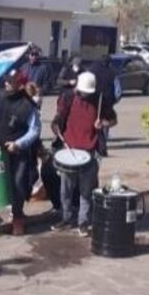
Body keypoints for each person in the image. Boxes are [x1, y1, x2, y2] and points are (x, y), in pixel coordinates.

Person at [51, 72, 117, 235]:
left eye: (89, 92)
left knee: (86, 191)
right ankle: (66, 218)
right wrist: (55, 126)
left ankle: (83, 222)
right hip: (69, 150)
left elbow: (114, 119)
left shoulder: (100, 99)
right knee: (66, 189)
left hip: (90, 151)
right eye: (84, 92)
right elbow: (58, 119)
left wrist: (103, 123)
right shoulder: (68, 97)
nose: (86, 94)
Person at [0, 71, 42, 236]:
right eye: (6, 81)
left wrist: (19, 144)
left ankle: (18, 218)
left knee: (18, 183)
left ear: (19, 84)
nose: (7, 84)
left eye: (11, 82)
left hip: (17, 150)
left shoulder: (28, 105)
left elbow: (35, 130)